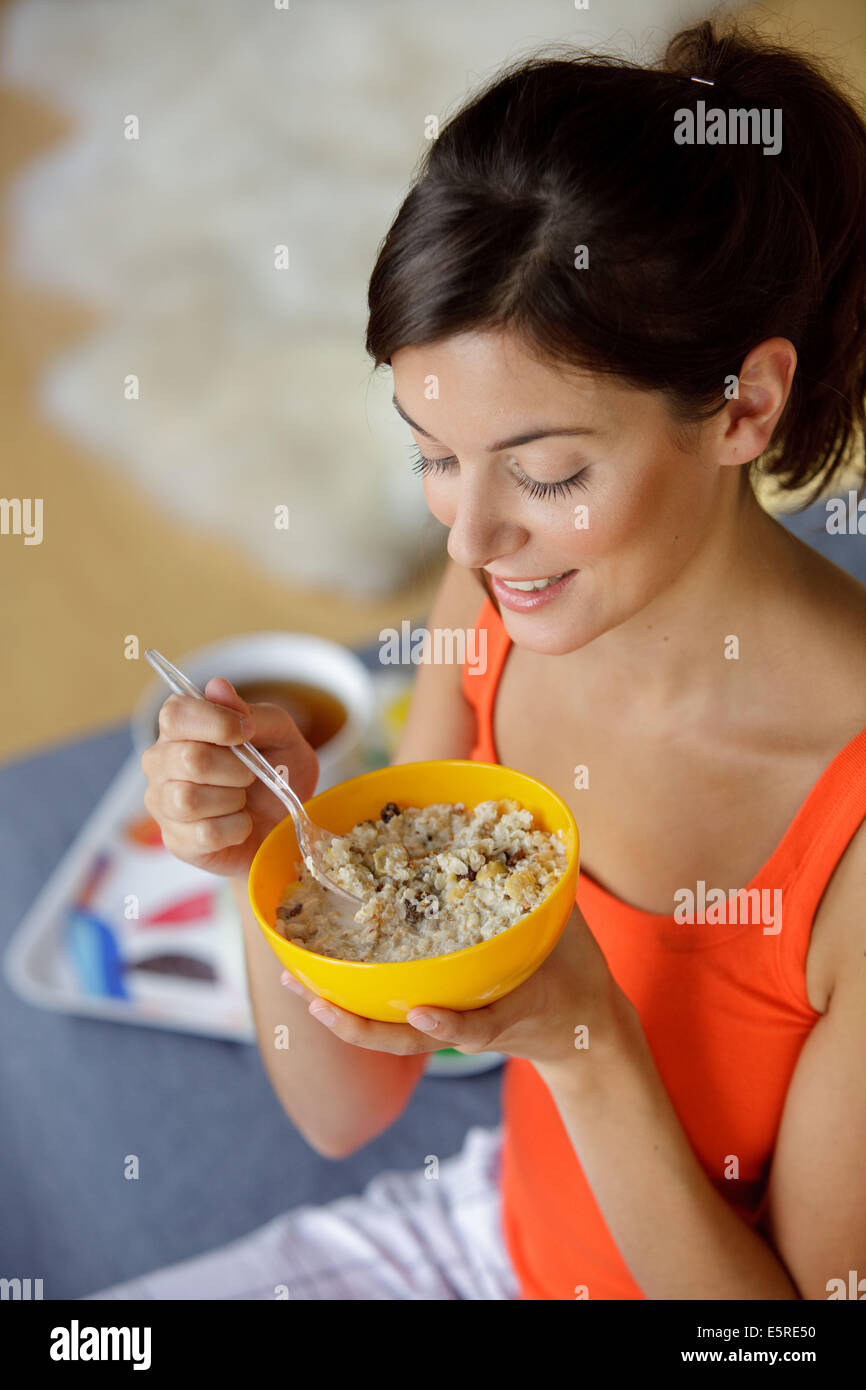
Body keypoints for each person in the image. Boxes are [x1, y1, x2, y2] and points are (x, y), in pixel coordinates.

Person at [90, 17, 866, 1300]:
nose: (472, 533)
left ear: (742, 405)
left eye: (549, 471)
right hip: (478, 1248)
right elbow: (349, 1102)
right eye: (434, 456)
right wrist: (275, 870)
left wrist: (586, 1046)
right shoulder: (494, 605)